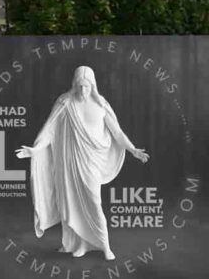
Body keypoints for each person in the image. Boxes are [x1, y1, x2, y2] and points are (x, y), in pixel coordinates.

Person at [16, 65, 150, 260]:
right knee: (71, 202)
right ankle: (80, 244)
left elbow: (117, 132)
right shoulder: (65, 103)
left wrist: (133, 149)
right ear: (74, 84)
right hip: (70, 162)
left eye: (87, 86)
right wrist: (35, 149)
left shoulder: (101, 104)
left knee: (94, 202)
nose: (83, 90)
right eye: (79, 86)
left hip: (92, 162)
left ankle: (105, 246)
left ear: (93, 86)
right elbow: (49, 130)